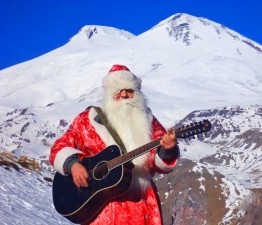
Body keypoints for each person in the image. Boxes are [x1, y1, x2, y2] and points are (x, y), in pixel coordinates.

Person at [49, 64, 180, 225]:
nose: (124, 95)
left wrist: (168, 150)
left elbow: (158, 162)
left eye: (129, 90)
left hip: (141, 204)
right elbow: (59, 147)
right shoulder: (88, 119)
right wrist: (73, 165)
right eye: (118, 90)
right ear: (110, 94)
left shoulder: (149, 120)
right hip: (102, 210)